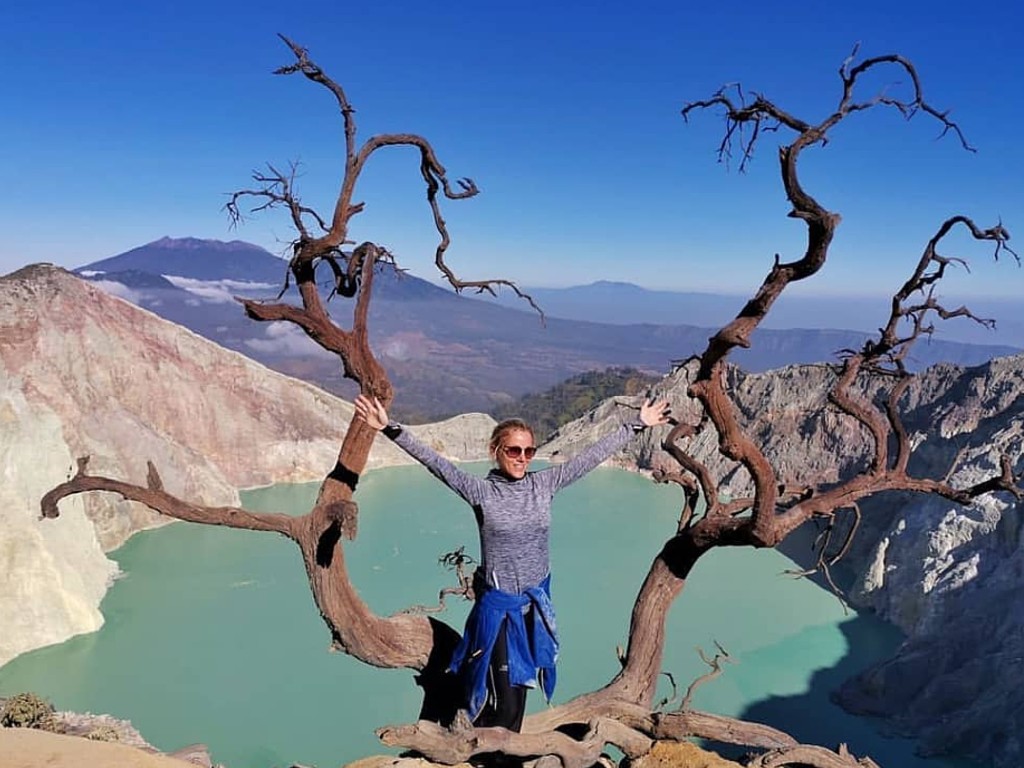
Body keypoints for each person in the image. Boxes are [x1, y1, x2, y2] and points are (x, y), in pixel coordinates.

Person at [353, 394, 671, 731]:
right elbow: (436, 463)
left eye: (529, 452)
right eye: (514, 450)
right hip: (500, 612)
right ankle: (469, 743)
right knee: (506, 709)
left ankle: (479, 746)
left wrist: (637, 424)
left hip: (534, 608)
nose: (522, 458)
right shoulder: (481, 492)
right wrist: (390, 428)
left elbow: (587, 459)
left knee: (516, 708)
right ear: (496, 451)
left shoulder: (543, 484)